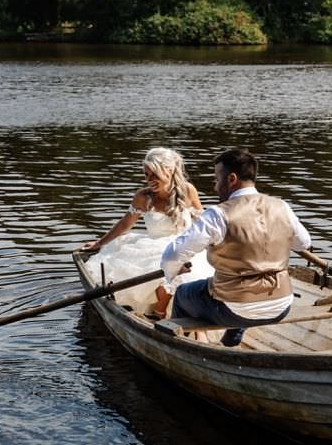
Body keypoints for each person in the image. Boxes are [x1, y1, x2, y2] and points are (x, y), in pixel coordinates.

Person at [161, 148, 311, 347]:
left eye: (216, 179)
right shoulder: (281, 207)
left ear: (231, 179)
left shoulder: (218, 215)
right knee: (225, 290)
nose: (215, 186)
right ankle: (230, 343)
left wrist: (172, 273)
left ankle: (177, 347)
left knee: (182, 293)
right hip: (282, 305)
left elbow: (173, 255)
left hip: (234, 309)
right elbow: (304, 243)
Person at [83, 147, 213, 317]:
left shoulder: (188, 190)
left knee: (191, 272)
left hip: (185, 245)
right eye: (146, 175)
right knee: (162, 268)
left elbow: (202, 222)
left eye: (154, 175)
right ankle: (160, 313)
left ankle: (169, 313)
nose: (150, 180)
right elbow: (125, 223)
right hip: (152, 246)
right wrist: (100, 243)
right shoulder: (143, 197)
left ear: (169, 170)